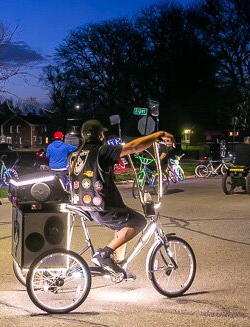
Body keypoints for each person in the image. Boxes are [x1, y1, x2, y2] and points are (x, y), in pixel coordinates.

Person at [69, 119, 174, 278]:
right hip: (103, 205)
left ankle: (119, 265)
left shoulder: (74, 154)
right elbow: (133, 147)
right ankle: (103, 255)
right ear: (100, 135)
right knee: (138, 222)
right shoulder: (102, 152)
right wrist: (157, 135)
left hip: (83, 205)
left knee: (122, 226)